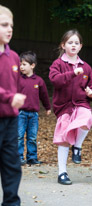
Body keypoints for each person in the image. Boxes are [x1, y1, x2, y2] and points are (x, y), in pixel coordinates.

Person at [49, 29, 92, 185]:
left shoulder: (86, 67)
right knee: (64, 139)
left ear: (81, 46)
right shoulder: (58, 64)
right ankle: (62, 173)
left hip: (81, 103)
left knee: (87, 118)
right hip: (63, 107)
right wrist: (72, 73)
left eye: (76, 43)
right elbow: (55, 80)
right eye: (70, 42)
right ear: (63, 45)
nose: (73, 45)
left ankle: (77, 147)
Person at [0, 5, 26, 206]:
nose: (9, 29)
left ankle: (11, 203)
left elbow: (16, 86)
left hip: (10, 119)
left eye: (11, 26)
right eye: (4, 25)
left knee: (12, 165)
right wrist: (9, 97)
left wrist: (15, 101)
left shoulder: (14, 57)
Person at [18, 51, 51, 165]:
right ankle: (19, 158)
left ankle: (32, 157)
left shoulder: (39, 81)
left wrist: (47, 107)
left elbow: (44, 95)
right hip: (20, 113)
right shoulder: (18, 80)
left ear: (32, 65)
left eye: (24, 64)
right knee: (19, 136)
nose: (21, 67)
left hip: (33, 115)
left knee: (32, 137)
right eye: (20, 64)